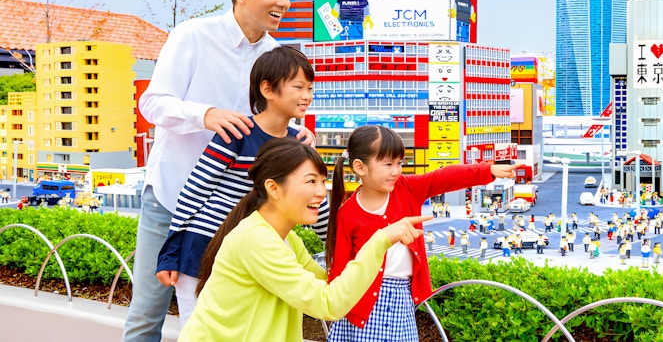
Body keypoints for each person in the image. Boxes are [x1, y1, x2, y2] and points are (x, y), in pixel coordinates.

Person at [123, 0, 308, 342]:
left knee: (224, 323)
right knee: (146, 316)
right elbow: (152, 103)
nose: (283, 2)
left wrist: (299, 136)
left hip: (236, 213)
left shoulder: (276, 56)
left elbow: (278, 120)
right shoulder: (192, 35)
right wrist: (205, 114)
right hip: (172, 197)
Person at [178, 138, 428, 342]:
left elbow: (334, 286)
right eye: (310, 181)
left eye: (322, 181)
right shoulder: (256, 240)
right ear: (274, 188)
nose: (321, 192)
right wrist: (381, 238)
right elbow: (328, 303)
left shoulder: (287, 240)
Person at [155, 46, 320, 324]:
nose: (307, 96)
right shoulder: (238, 133)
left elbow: (315, 201)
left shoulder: (299, 143)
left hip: (255, 252)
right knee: (200, 331)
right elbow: (195, 191)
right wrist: (170, 254)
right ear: (267, 89)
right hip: (205, 247)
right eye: (298, 87)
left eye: (310, 88)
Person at [325, 125, 518, 342]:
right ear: (360, 167)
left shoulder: (406, 188)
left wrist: (486, 170)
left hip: (402, 297)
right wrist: (334, 309)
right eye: (388, 164)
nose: (396, 171)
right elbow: (340, 266)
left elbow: (442, 178)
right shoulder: (348, 213)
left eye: (399, 163)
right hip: (361, 302)